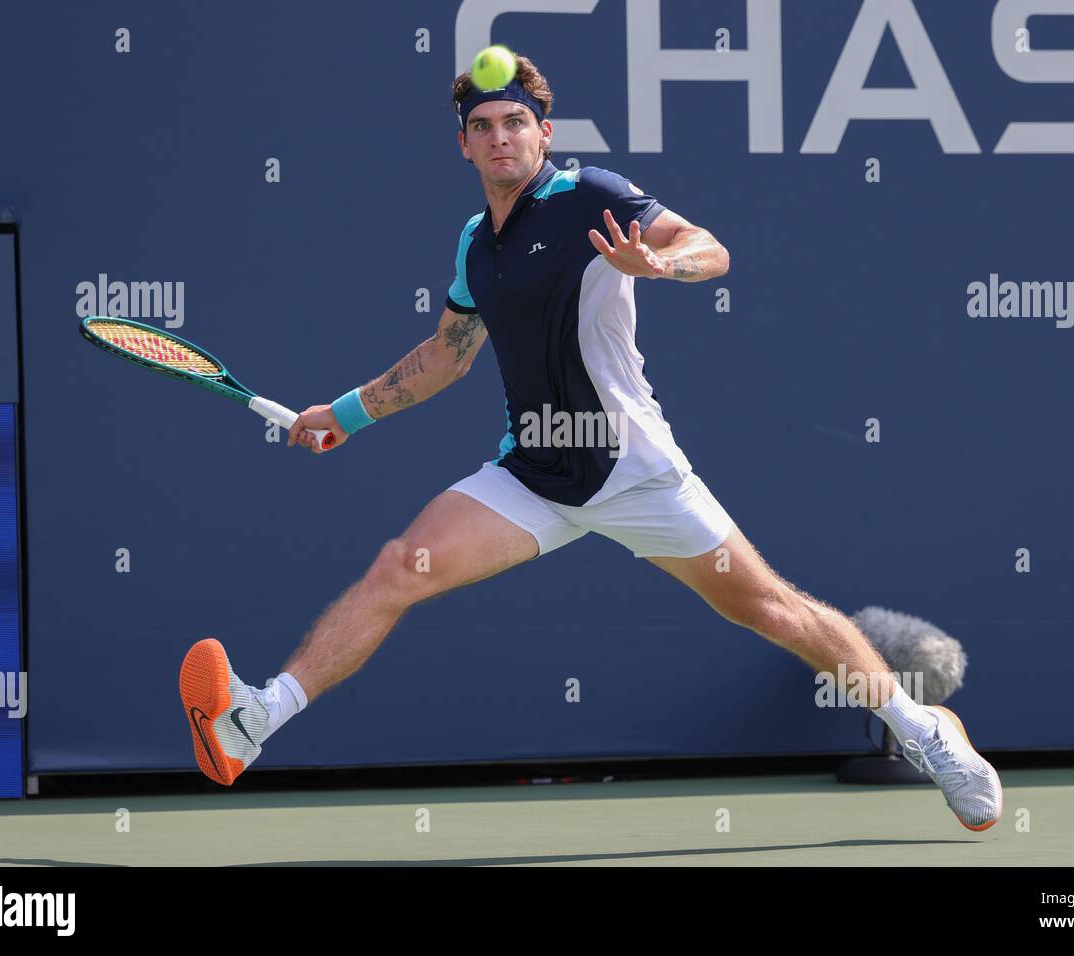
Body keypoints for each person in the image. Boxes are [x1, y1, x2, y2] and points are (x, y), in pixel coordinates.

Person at [179, 54, 1002, 831]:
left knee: (771, 609)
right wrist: (345, 413)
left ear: (544, 130)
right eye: (484, 126)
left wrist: (658, 267)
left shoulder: (588, 197)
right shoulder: (475, 242)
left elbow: (708, 248)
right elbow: (446, 356)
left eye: (516, 122)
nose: (501, 137)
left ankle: (923, 728)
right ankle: (255, 720)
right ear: (463, 142)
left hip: (637, 472)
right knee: (401, 566)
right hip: (535, 473)